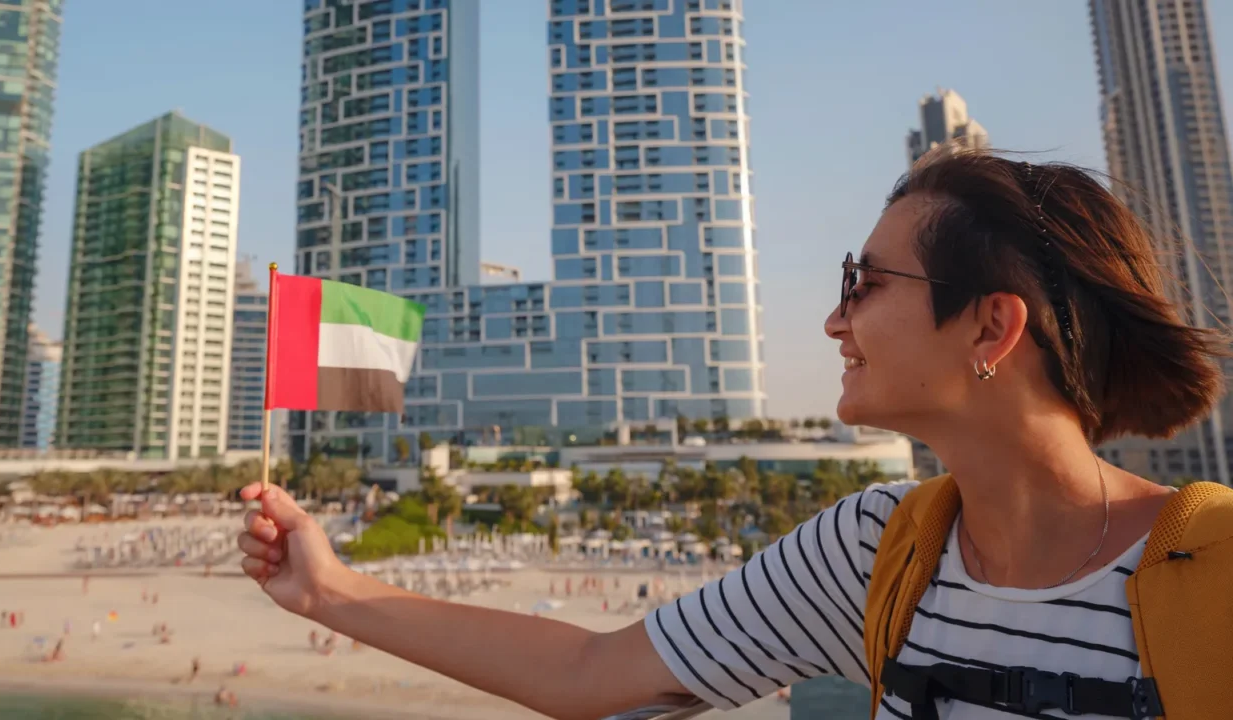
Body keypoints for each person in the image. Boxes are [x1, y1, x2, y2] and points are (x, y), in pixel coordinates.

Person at [236, 150, 1228, 720]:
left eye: (863, 284)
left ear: (989, 328)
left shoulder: (1213, 573)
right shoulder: (875, 550)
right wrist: (325, 588)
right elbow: (591, 673)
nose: (833, 321)